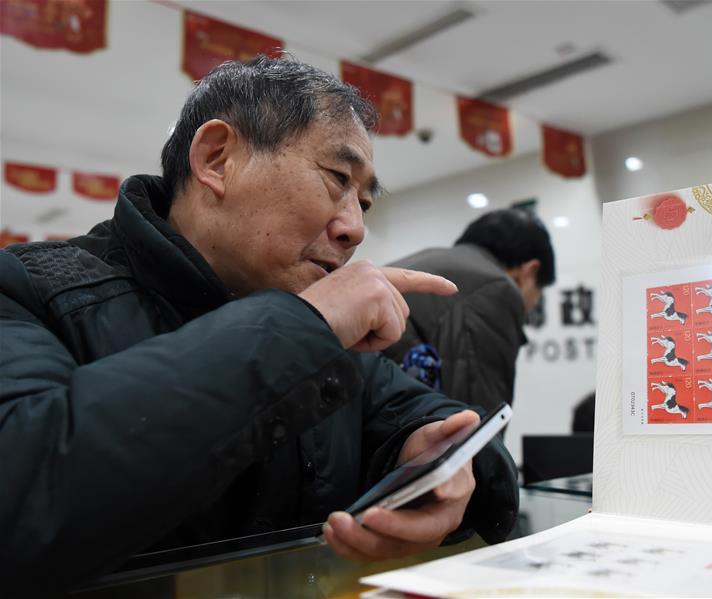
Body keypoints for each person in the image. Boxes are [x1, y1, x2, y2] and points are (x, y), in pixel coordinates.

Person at [0, 56, 518, 594]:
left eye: (363, 202)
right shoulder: (28, 289)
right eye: (337, 179)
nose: (355, 229)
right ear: (217, 159)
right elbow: (24, 491)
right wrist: (303, 325)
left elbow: (427, 414)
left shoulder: (326, 334)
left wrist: (450, 465)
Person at [383, 209, 556, 414]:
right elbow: (475, 427)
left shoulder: (421, 262)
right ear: (530, 272)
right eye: (538, 294)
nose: (532, 305)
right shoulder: (496, 289)